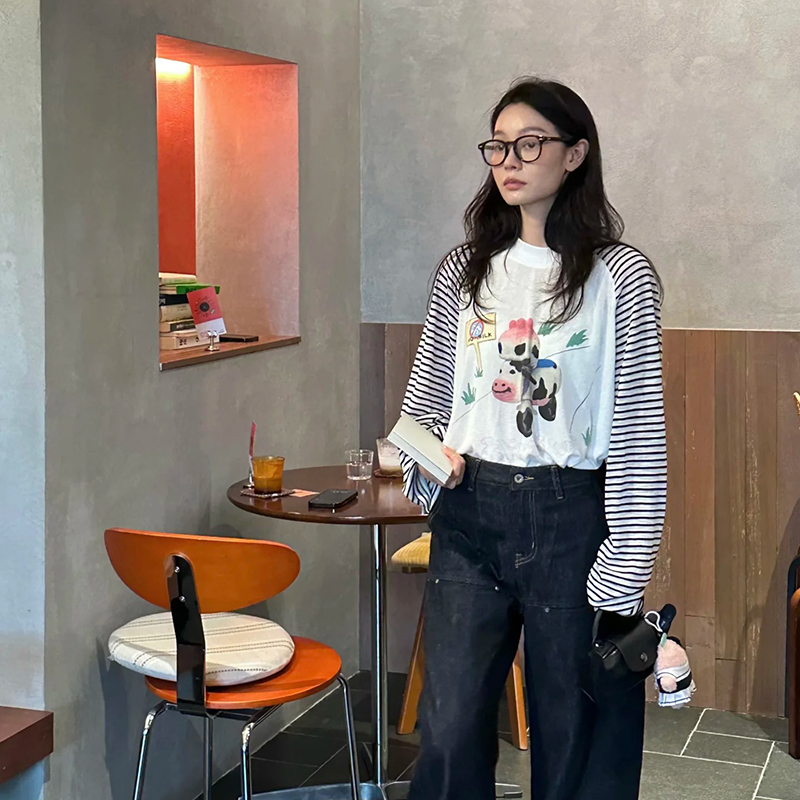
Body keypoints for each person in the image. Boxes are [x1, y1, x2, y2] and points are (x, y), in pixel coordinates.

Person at [399, 77, 666, 800]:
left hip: (571, 517)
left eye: (529, 144)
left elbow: (641, 430)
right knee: (448, 730)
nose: (509, 161)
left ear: (575, 154)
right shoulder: (464, 271)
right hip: (469, 514)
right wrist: (430, 464)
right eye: (497, 146)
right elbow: (420, 408)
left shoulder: (620, 277)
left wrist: (626, 565)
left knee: (574, 730)